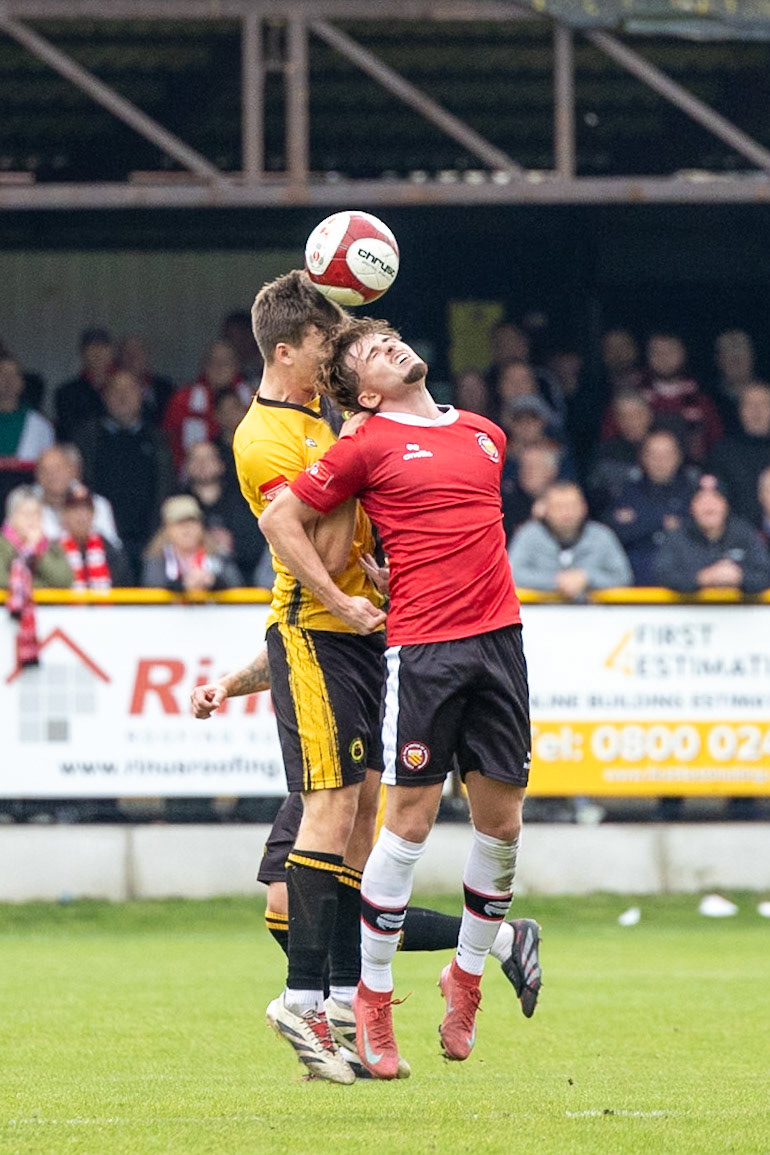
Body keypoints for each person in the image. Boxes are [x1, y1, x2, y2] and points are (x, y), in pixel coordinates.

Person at [260, 318, 532, 1078]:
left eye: (390, 339)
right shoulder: (365, 443)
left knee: (503, 826)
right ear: (367, 395)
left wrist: (393, 561)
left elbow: (449, 527)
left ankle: (466, 978)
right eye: (371, 353)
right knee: (406, 823)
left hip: (501, 641)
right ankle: (372, 999)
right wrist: (341, 599)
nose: (392, 347)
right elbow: (280, 517)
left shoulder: (485, 433)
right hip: (426, 650)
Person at [190, 650, 542, 1061]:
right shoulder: (318, 617)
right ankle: (494, 941)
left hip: (368, 747)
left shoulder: (383, 616)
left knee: (327, 903)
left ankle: (338, 1020)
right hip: (335, 742)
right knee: (289, 903)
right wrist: (228, 685)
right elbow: (294, 638)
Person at [232, 270, 390, 1085]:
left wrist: (375, 575)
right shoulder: (264, 436)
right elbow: (287, 529)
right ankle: (300, 998)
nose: (334, 354)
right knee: (329, 806)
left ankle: (337, 1004)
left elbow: (346, 526)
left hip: (357, 636)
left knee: (362, 811)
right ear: (287, 350)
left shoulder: (321, 420)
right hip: (316, 632)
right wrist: (341, 596)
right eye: (326, 341)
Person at [74, 369, 176, 580]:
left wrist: (160, 530)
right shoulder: (88, 436)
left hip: (149, 536)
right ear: (105, 397)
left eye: (129, 390)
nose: (122, 396)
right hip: (100, 538)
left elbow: (166, 487)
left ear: (141, 395)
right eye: (115, 390)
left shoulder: (157, 438)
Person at [604, 428, 699, 585]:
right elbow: (614, 533)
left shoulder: (694, 492)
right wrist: (663, 520)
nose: (660, 461)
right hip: (635, 582)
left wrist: (640, 519)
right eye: (653, 455)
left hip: (683, 582)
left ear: (678, 457)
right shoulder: (626, 491)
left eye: (667, 455)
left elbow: (698, 534)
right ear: (643, 457)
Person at [508, 481, 632, 597]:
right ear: (545, 509)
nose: (566, 513)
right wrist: (556, 581)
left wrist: (587, 578)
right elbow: (512, 575)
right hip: (539, 610)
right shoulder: (529, 535)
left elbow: (623, 577)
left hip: (593, 610)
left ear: (584, 507)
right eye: (558, 507)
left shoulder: (601, 536)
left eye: (572, 506)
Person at [654, 474, 770, 594]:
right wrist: (702, 578)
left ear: (726, 505)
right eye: (701, 499)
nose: (709, 506)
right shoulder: (677, 538)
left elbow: (765, 574)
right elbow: (663, 576)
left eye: (715, 498)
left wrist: (740, 577)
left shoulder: (744, 534)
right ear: (691, 507)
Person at [1, 485, 72, 667]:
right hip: (8, 624)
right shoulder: (3, 545)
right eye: (25, 514)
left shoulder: (51, 546)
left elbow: (64, 580)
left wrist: (39, 552)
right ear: (12, 517)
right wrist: (39, 587)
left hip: (50, 621)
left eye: (36, 514)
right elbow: (2, 580)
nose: (31, 520)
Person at [183, 440, 267, 584]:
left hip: (244, 585)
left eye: (209, 458)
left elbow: (258, 545)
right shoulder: (178, 502)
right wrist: (207, 542)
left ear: (221, 465)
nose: (202, 463)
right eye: (195, 458)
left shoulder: (243, 501)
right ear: (187, 466)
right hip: (187, 581)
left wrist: (233, 544)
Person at [163, 339, 252, 470]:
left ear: (237, 365)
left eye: (226, 362)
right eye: (214, 362)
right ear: (204, 365)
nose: (219, 367)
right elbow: (168, 442)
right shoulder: (182, 400)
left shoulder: (253, 399)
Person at [142, 494, 243, 591]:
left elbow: (236, 585)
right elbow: (152, 586)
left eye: (192, 522)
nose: (187, 529)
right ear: (167, 529)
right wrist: (183, 585)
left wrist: (214, 581)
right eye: (180, 524)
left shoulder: (217, 554)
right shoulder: (158, 558)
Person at [706, 382, 770, 529]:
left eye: (764, 404)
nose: (757, 411)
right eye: (750, 405)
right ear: (740, 411)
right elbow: (716, 498)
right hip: (735, 534)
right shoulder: (723, 452)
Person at [34, 444, 121, 547]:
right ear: (37, 475)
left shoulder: (97, 504)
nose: (52, 475)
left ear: (72, 471)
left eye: (58, 469)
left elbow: (112, 547)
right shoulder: (26, 505)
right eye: (45, 470)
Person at [58, 481, 134, 589]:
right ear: (63, 514)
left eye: (86, 509)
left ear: (93, 514)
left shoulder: (110, 551)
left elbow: (123, 585)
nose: (81, 516)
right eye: (74, 509)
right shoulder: (54, 551)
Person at [54, 327, 115, 442]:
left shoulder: (126, 389)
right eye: (92, 347)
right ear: (82, 353)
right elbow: (68, 431)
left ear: (111, 352)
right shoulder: (67, 393)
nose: (98, 352)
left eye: (103, 347)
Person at [0, 354, 55, 464]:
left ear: (22, 382)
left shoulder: (41, 425)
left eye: (14, 375)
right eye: (3, 374)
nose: (8, 381)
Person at [115, 333, 175, 425]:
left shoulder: (165, 387)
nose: (133, 357)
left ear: (147, 356)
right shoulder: (111, 388)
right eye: (127, 352)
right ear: (119, 357)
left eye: (138, 351)